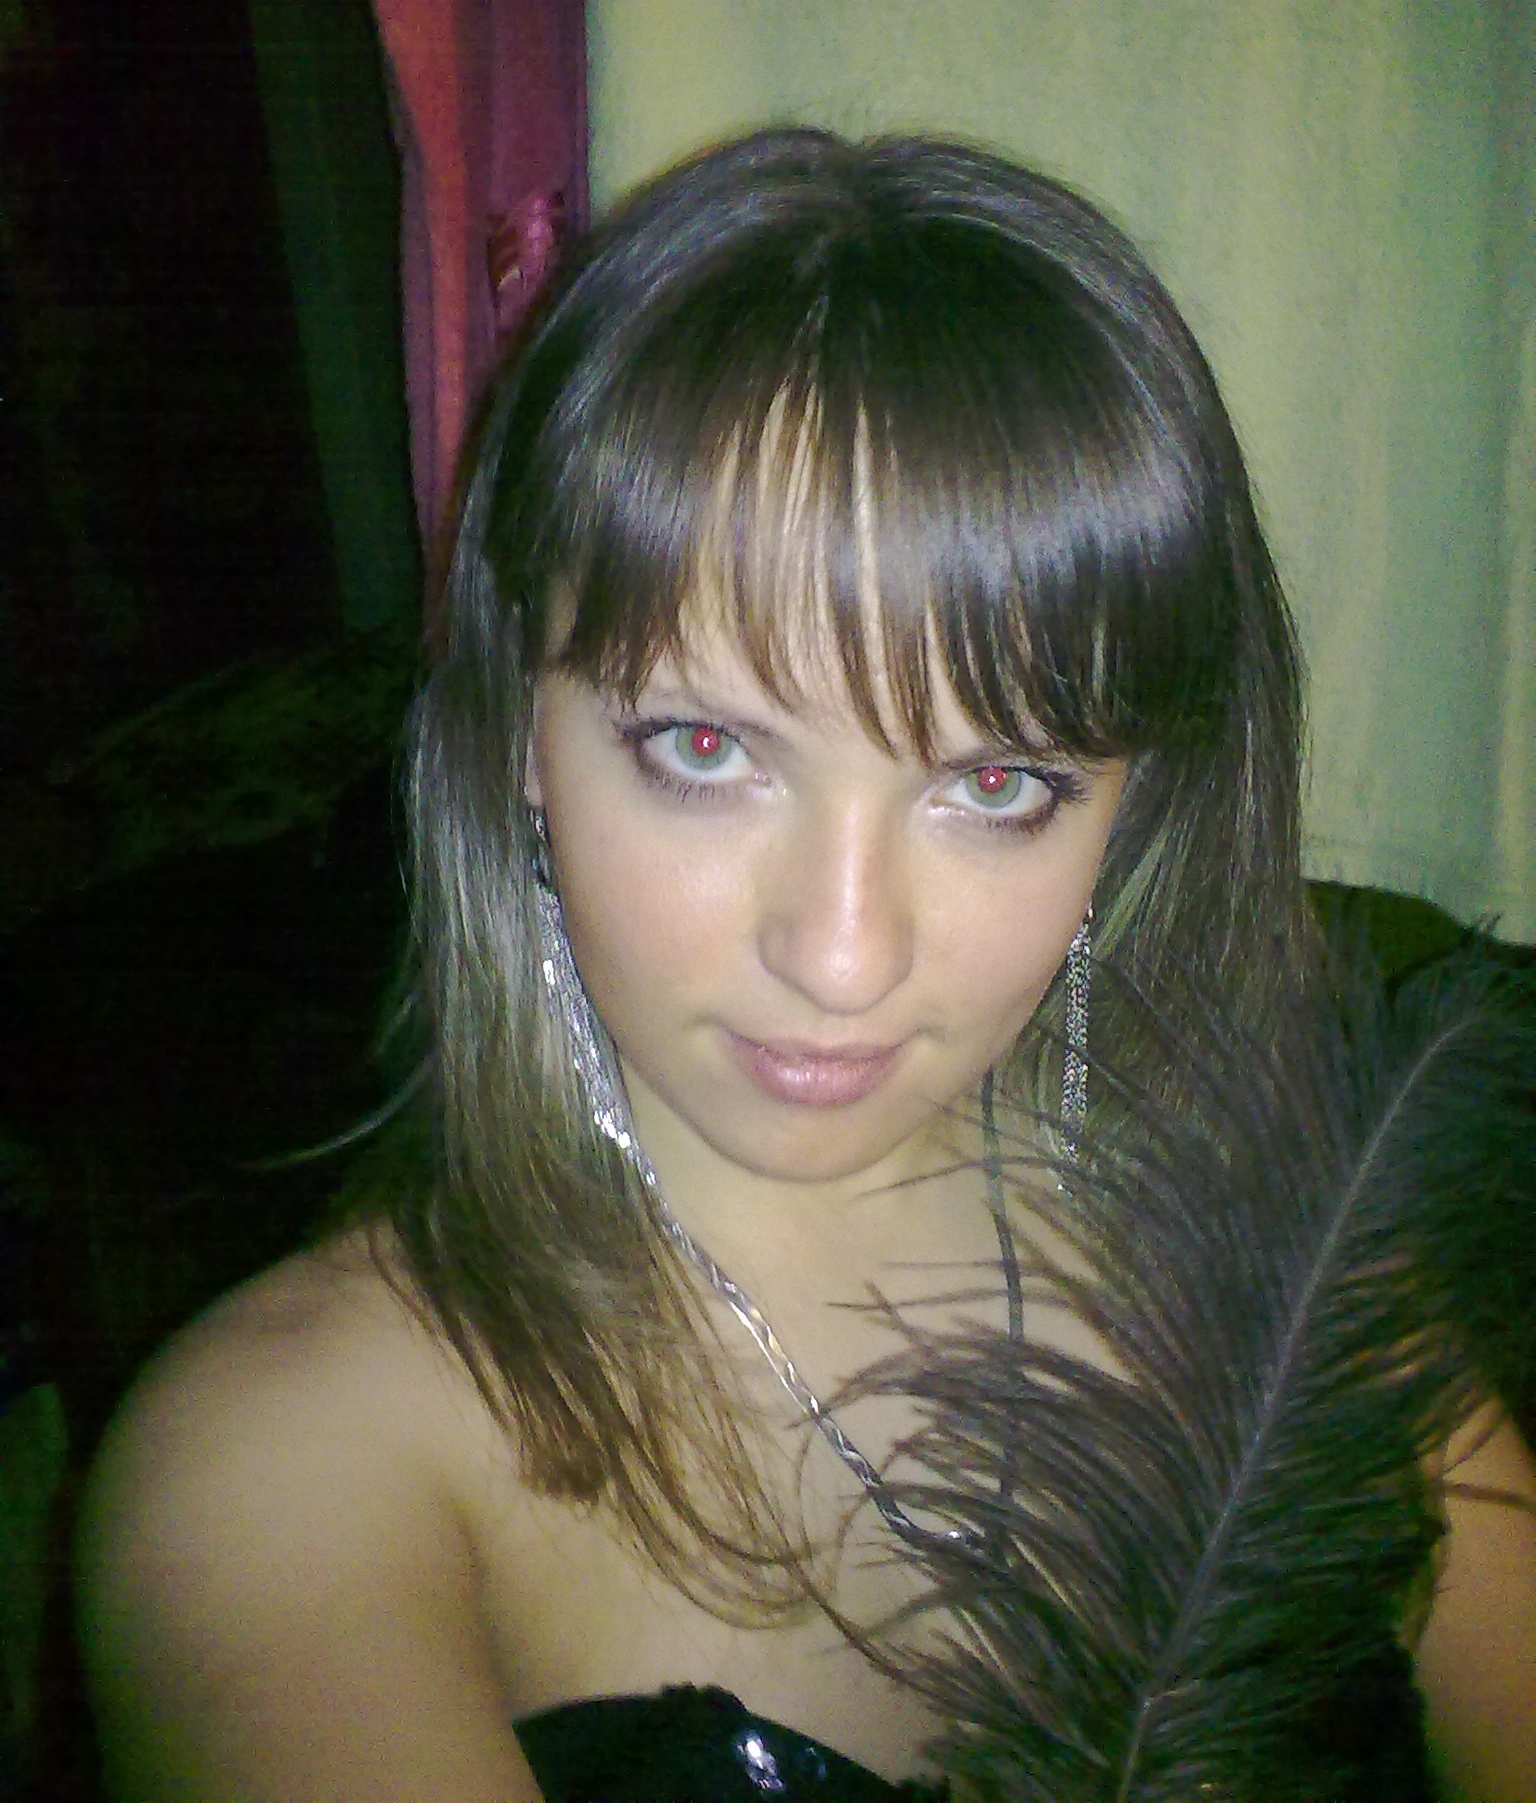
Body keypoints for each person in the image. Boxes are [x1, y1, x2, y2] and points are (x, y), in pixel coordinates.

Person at [77, 131, 1536, 1801]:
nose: (843, 957)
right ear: (524, 733)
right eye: (706, 748)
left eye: (998, 785)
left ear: (1134, 802)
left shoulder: (1298, 1257)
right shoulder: (285, 1473)